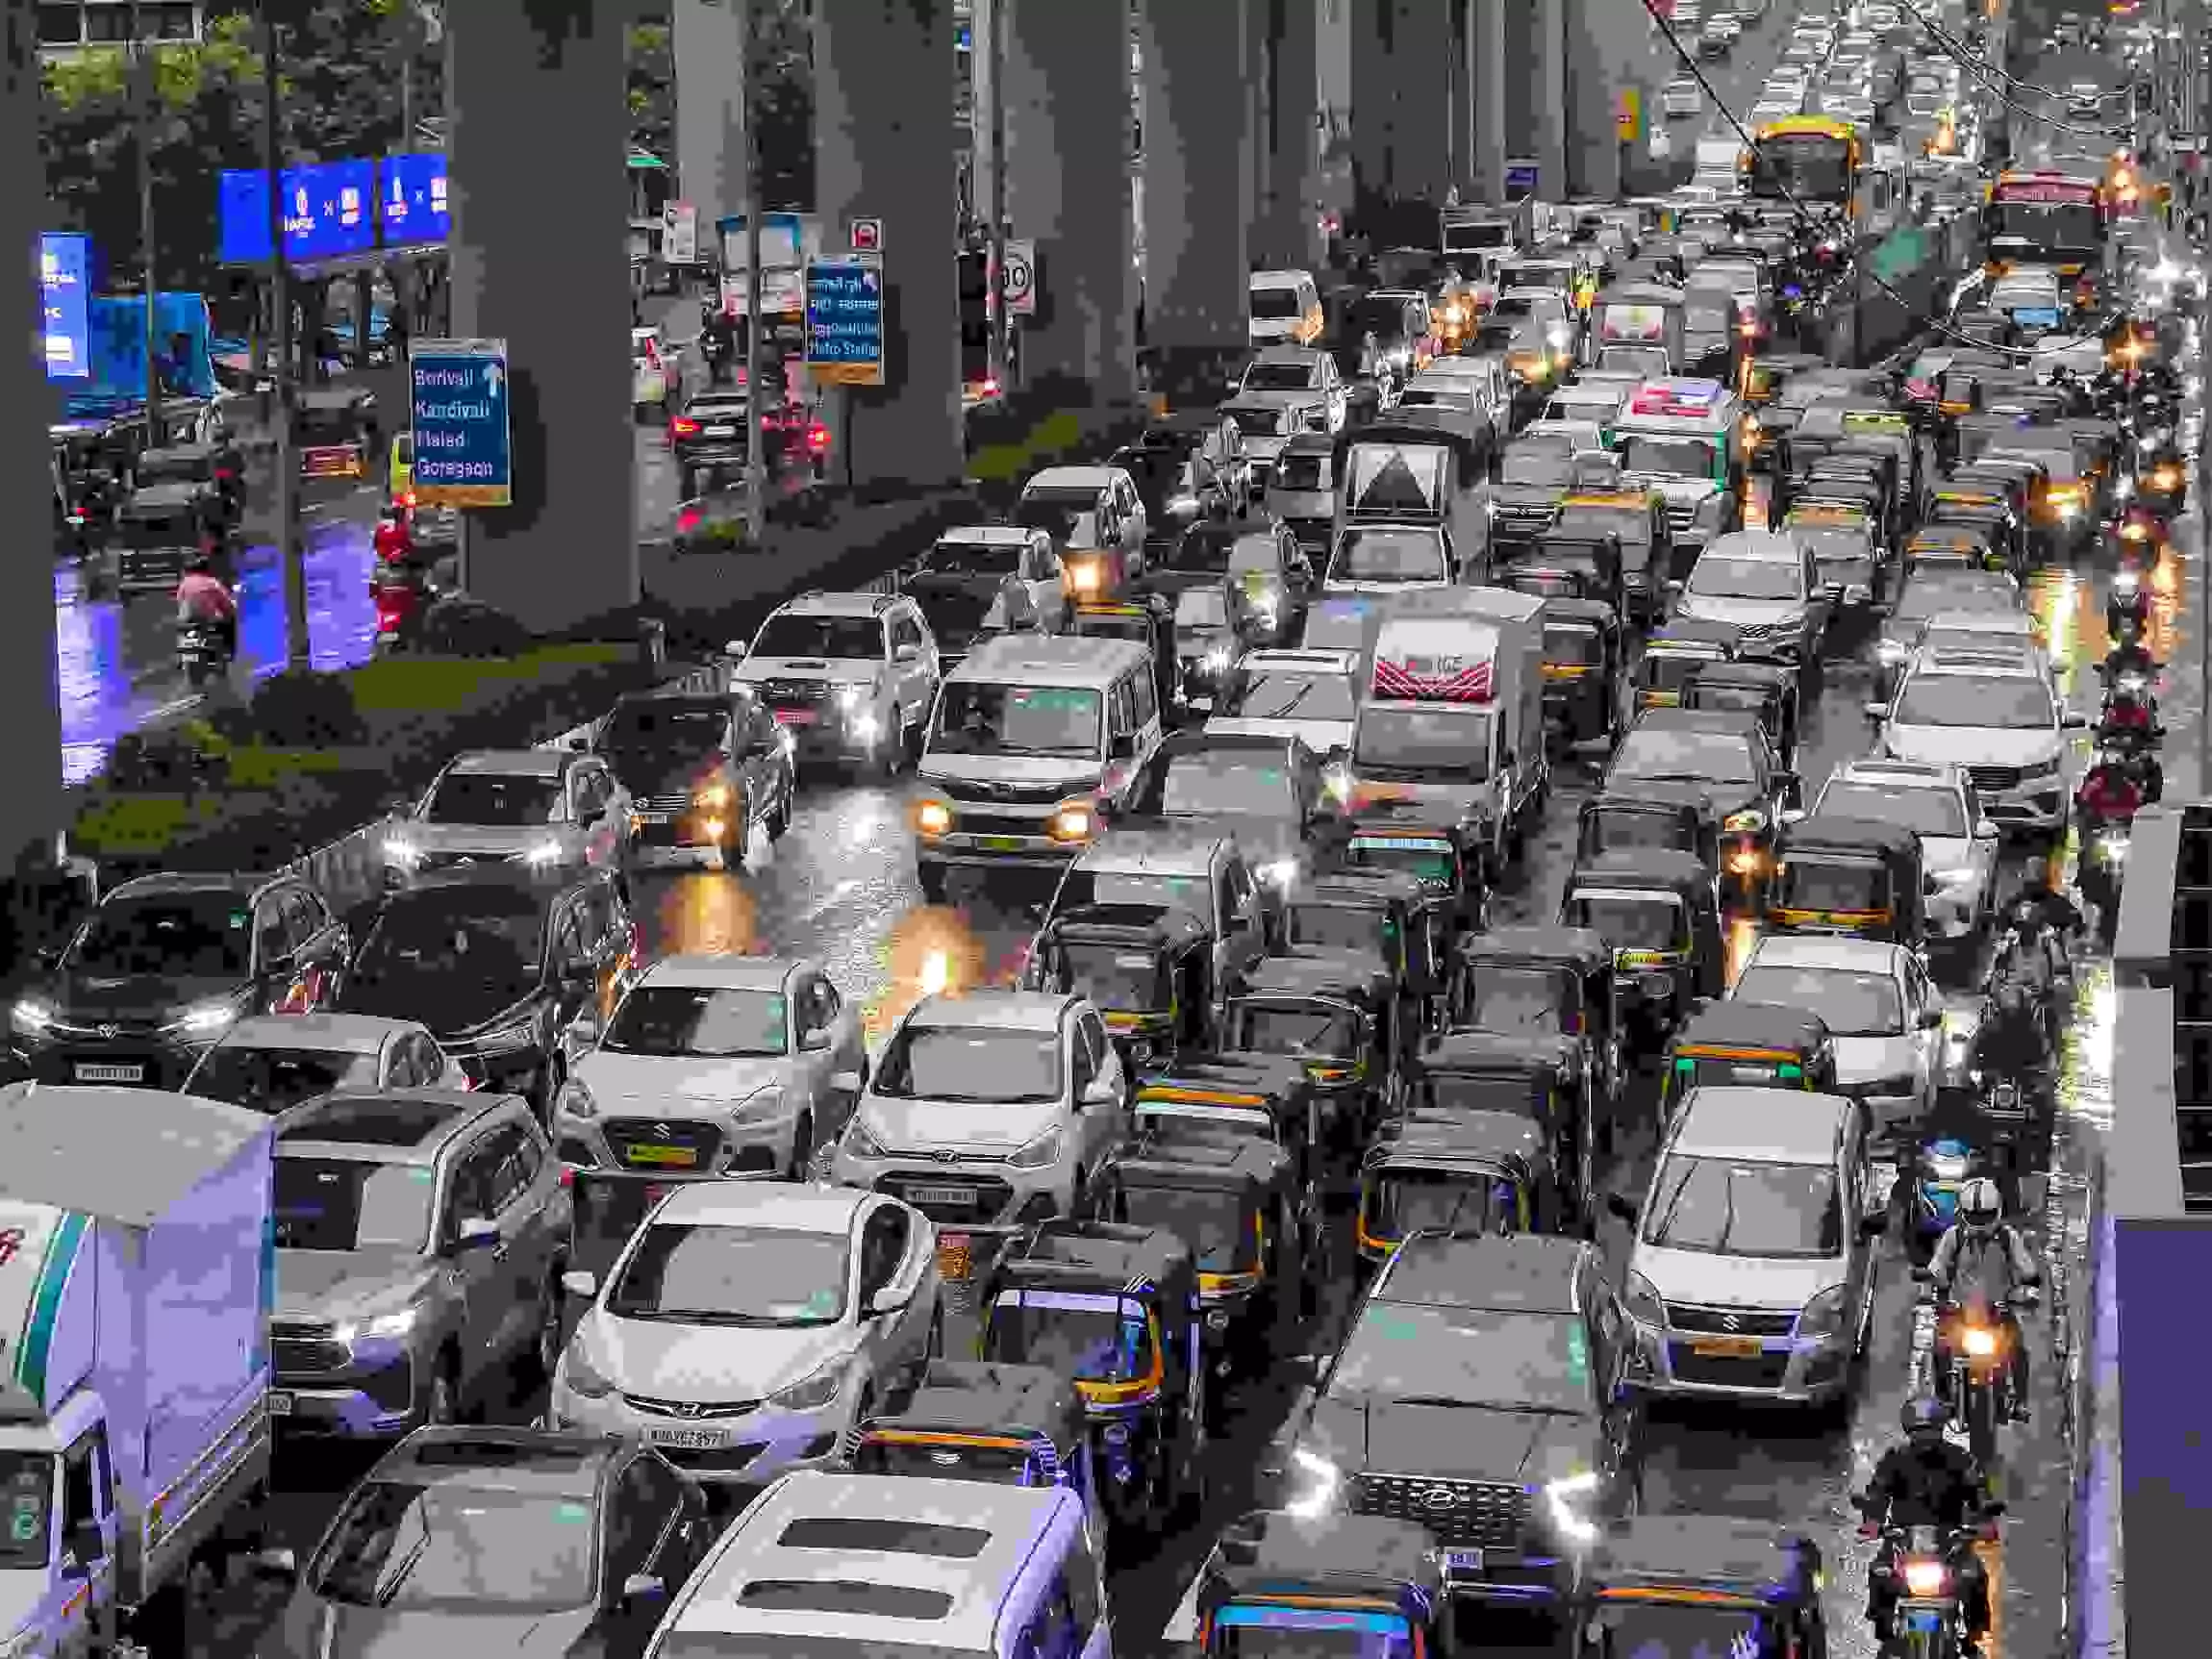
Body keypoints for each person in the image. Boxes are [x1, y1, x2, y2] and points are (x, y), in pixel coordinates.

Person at [1858, 1396, 1994, 1644]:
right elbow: (1878, 1491)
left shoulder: (1961, 1459)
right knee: (1880, 1572)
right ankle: (1883, 1629)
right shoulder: (1895, 1459)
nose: (1925, 1438)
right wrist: (1872, 1521)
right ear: (1909, 1432)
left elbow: (1979, 1490)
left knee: (1974, 1576)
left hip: (1950, 1541)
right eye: (1919, 1431)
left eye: (1930, 1431)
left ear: (1941, 1430)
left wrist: (1984, 1520)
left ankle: (1973, 1634)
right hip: (1903, 1541)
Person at [1928, 1177, 2042, 1421]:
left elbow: (2026, 1266)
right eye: (1974, 1217)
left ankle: (2020, 1401)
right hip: (1960, 1312)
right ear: (1963, 1213)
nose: (1980, 1224)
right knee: (1939, 1347)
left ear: (1997, 1211)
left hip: (1998, 1311)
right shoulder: (1953, 1237)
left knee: (2019, 1350)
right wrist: (1935, 1282)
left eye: (1985, 1216)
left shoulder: (2008, 1238)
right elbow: (1937, 1266)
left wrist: (2030, 1283)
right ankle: (1943, 1398)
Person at [175, 552, 238, 658]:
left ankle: (183, 655)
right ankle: (228, 652)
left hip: (188, 621)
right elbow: (227, 604)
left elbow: (180, 601)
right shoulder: (213, 583)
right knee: (230, 622)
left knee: (182, 633)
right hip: (209, 621)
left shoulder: (184, 583)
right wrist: (231, 611)